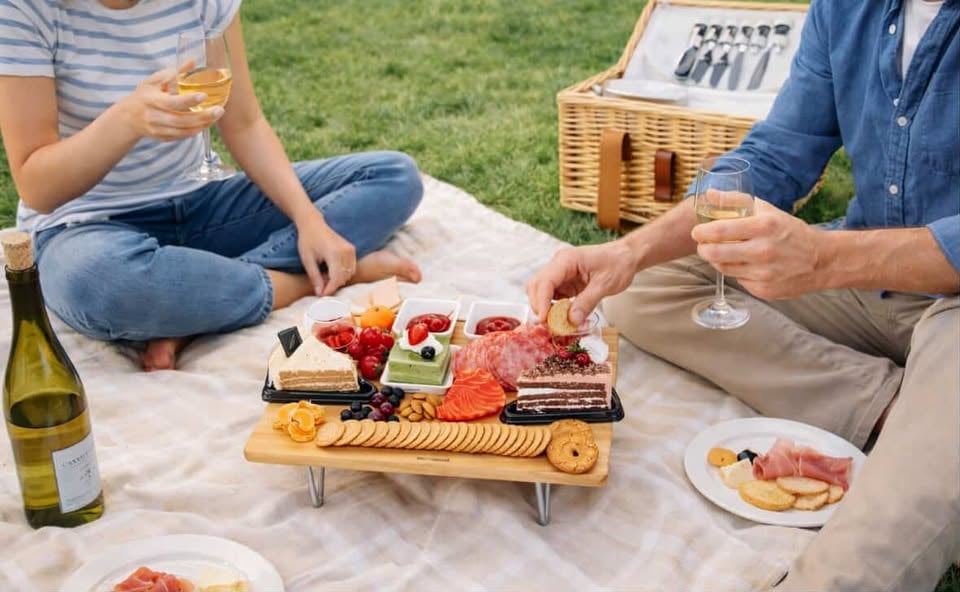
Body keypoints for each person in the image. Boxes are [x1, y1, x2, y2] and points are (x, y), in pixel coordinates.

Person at [528, 0, 958, 590]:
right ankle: (891, 409)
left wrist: (823, 258)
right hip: (867, 282)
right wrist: (627, 253)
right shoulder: (845, 7)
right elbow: (778, 152)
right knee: (650, 282)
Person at [0, 0, 423, 371]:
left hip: (199, 203)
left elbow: (244, 121)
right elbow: (37, 184)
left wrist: (309, 220)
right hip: (87, 226)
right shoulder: (24, 10)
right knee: (100, 285)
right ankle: (301, 281)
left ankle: (195, 303)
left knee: (393, 176)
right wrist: (125, 121)